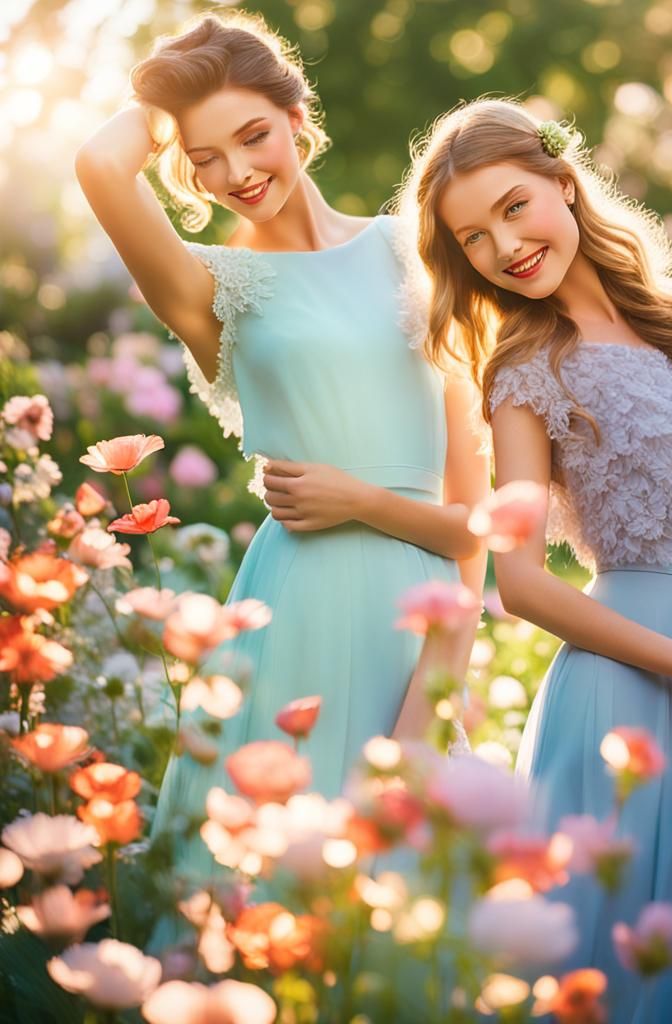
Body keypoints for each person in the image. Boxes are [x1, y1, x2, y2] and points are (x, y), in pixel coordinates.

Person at [403, 98, 672, 1022]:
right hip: (630, 693)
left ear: (563, 183)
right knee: (630, 984)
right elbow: (520, 582)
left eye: (514, 206)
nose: (504, 245)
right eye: (473, 238)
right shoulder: (523, 372)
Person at [74, 12, 488, 899]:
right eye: (205, 158)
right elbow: (99, 166)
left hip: (415, 625)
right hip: (293, 613)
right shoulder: (212, 287)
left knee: (410, 906)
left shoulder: (413, 250)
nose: (236, 173)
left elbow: (474, 524)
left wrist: (434, 693)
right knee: (268, 904)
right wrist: (176, 90)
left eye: (254, 134)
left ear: (299, 117)